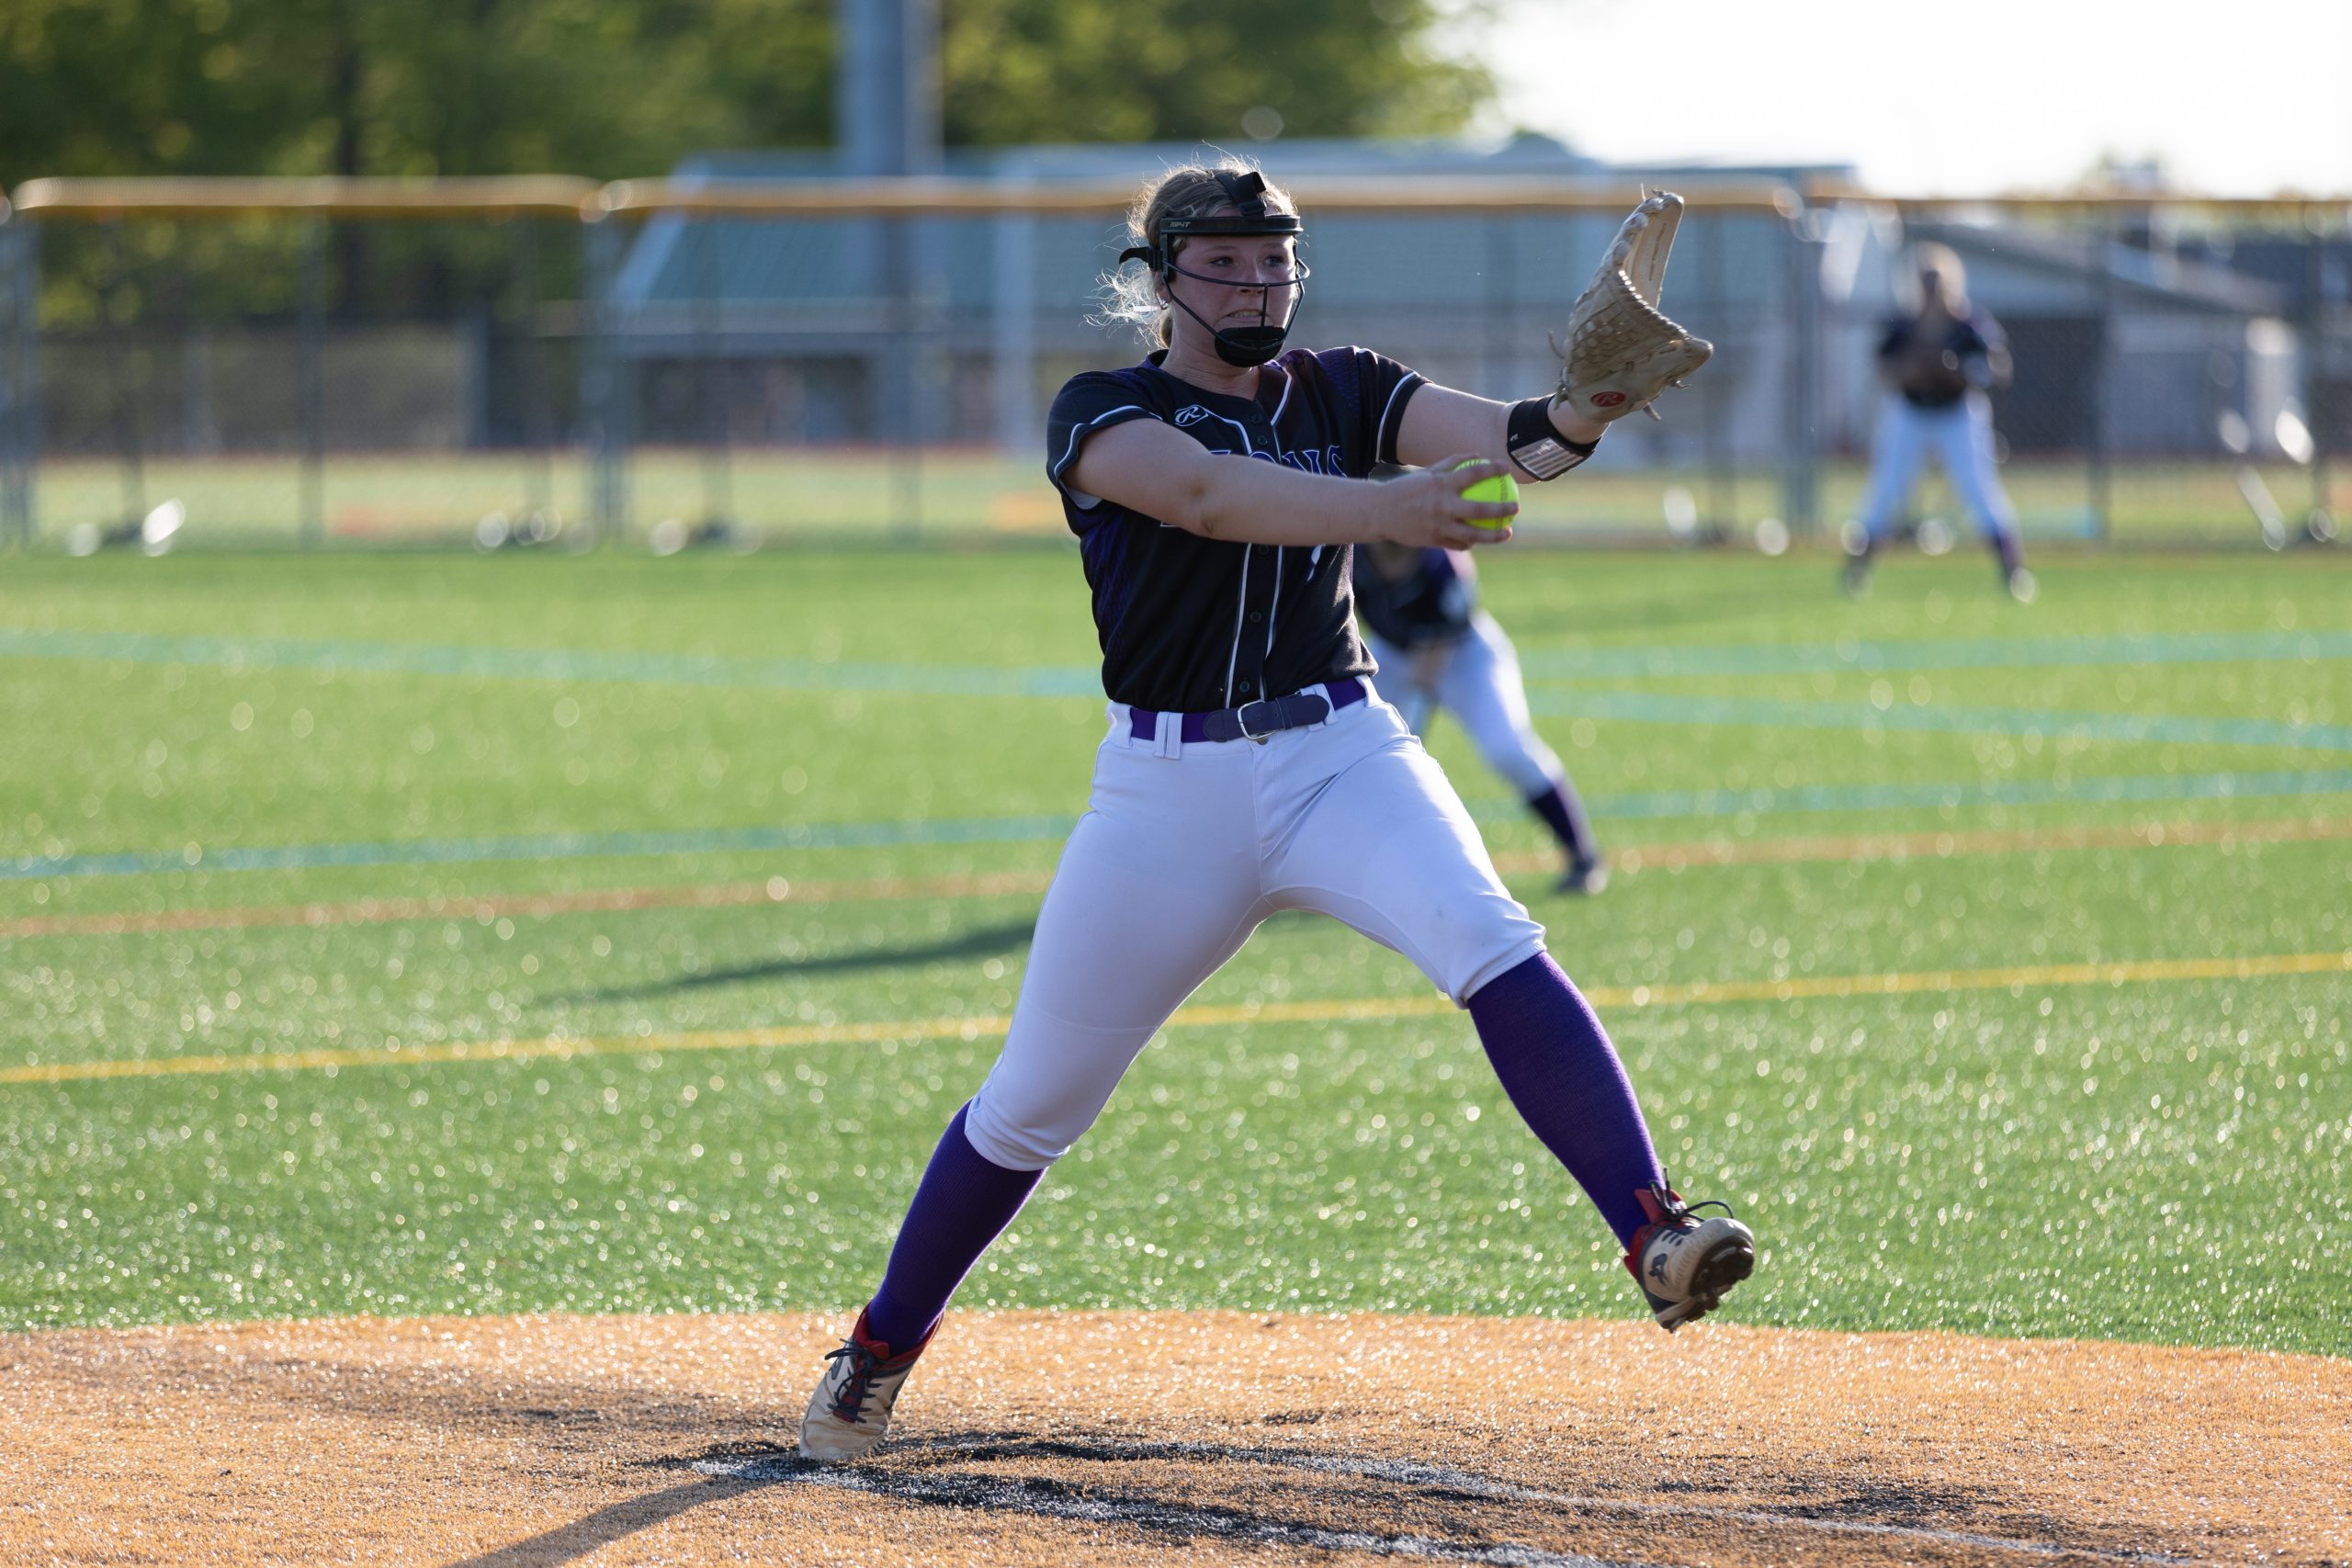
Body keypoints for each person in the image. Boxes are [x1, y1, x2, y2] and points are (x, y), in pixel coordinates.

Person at [798, 165, 1755, 1462]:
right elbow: (1203, 496)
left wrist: (1584, 409)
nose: (1258, 282)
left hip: (1338, 747)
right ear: (1159, 276)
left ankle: (1652, 1227)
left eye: (1276, 258)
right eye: (1227, 260)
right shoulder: (1104, 408)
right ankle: (882, 1345)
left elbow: (1509, 440)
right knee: (1032, 1103)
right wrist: (1395, 507)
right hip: (1164, 790)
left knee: (1492, 937)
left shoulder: (1341, 383)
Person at [1353, 535, 1609, 894]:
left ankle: (1582, 855)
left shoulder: (1441, 565)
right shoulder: (1352, 553)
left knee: (1508, 748)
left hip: (1463, 657)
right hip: (1391, 657)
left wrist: (1410, 728)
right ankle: (1359, 875)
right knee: (1359, 760)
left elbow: (1432, 657)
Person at [1842, 242, 2034, 602]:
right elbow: (1883, 368)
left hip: (1957, 413)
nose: (1931, 288)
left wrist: (1958, 371)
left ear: (1952, 282)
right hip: (1910, 412)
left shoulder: (1968, 325)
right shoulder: (1903, 325)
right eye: (1924, 280)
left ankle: (2013, 570)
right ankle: (1856, 571)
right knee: (1885, 490)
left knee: (1979, 490)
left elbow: (1997, 368)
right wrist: (1911, 371)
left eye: (1937, 280)